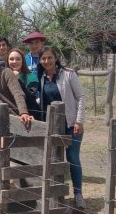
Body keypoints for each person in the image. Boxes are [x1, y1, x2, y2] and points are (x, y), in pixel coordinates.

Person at [36, 46, 86, 209]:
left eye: (49, 57)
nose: (46, 61)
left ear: (55, 58)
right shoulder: (41, 76)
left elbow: (81, 97)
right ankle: (57, 196)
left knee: (72, 159)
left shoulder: (68, 74)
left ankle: (78, 194)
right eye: (43, 58)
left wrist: (79, 121)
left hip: (70, 125)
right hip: (51, 127)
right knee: (54, 161)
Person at [7, 48, 42, 120]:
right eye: (11, 59)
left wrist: (17, 80)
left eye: (18, 59)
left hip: (29, 116)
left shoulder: (32, 77)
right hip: (9, 115)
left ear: (23, 60)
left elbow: (30, 98)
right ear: (7, 61)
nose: (14, 61)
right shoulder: (3, 76)